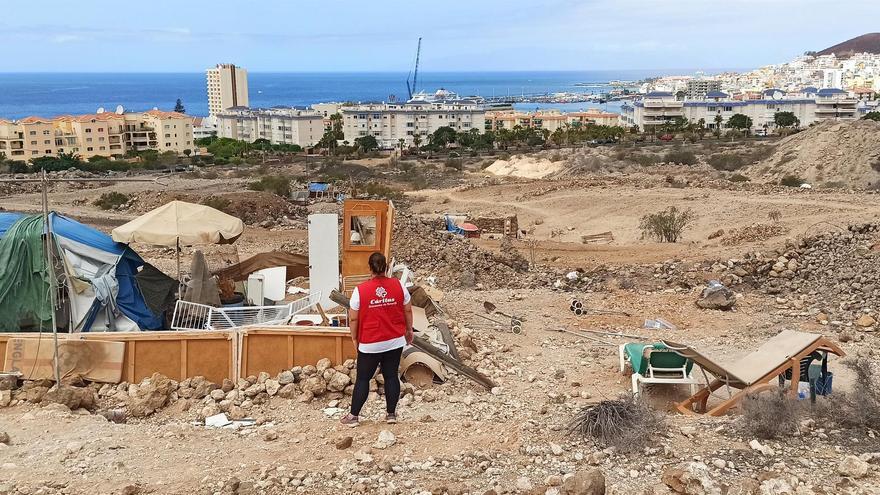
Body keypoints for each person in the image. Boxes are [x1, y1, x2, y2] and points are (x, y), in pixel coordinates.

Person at [340, 252, 414, 427]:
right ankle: (391, 414)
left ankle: (354, 416)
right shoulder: (398, 286)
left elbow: (353, 319)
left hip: (370, 342)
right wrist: (409, 330)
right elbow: (408, 310)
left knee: (363, 379)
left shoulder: (360, 290)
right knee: (391, 376)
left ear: (369, 268)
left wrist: (354, 338)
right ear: (386, 267)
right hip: (394, 340)